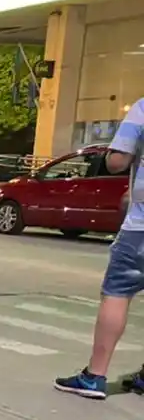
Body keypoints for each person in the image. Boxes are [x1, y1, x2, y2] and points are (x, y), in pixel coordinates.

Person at [54, 95, 144, 399]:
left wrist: (110, 154)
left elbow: (117, 161)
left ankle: (95, 376)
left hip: (141, 228)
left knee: (117, 293)